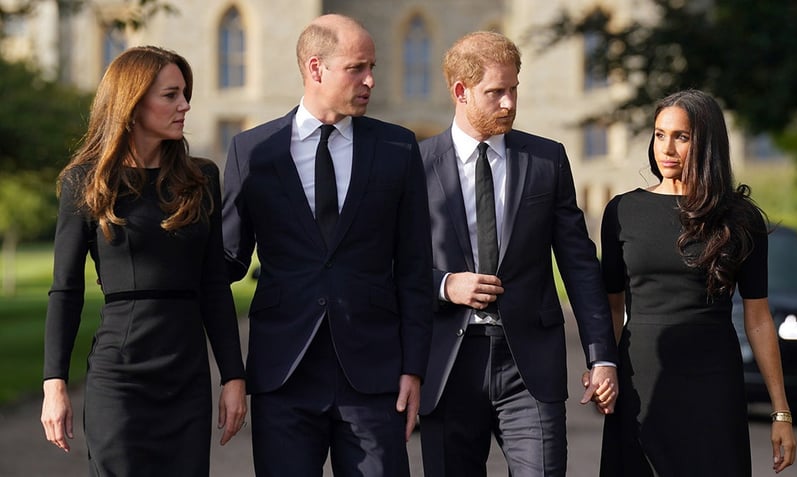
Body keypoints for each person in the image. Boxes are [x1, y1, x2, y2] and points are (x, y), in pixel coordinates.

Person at [221, 14, 432, 477]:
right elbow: (226, 262)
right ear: (316, 69)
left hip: (374, 377)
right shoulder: (253, 152)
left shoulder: (398, 148)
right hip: (283, 374)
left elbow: (416, 268)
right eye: (357, 68)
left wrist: (414, 368)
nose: (370, 80)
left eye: (371, 66)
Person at [417, 31, 619, 476]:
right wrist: (446, 285)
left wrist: (601, 355)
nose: (509, 103)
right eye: (495, 92)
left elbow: (580, 264)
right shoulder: (415, 165)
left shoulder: (547, 160)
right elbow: (390, 265)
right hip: (448, 365)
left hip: (529, 366)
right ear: (460, 91)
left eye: (513, 90)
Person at [40, 46, 247, 476]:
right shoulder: (87, 181)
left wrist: (233, 377)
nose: (185, 105)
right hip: (120, 377)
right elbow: (66, 289)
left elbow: (213, 285)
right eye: (171, 95)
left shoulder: (202, 178)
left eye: (185, 93)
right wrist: (54, 384)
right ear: (133, 105)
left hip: (187, 376)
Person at [598, 89, 797, 475]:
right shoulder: (623, 211)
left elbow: (758, 318)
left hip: (712, 384)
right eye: (659, 134)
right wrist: (603, 365)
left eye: (681, 137)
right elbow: (611, 305)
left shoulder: (740, 218)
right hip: (641, 381)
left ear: (707, 143)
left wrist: (781, 412)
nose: (666, 148)